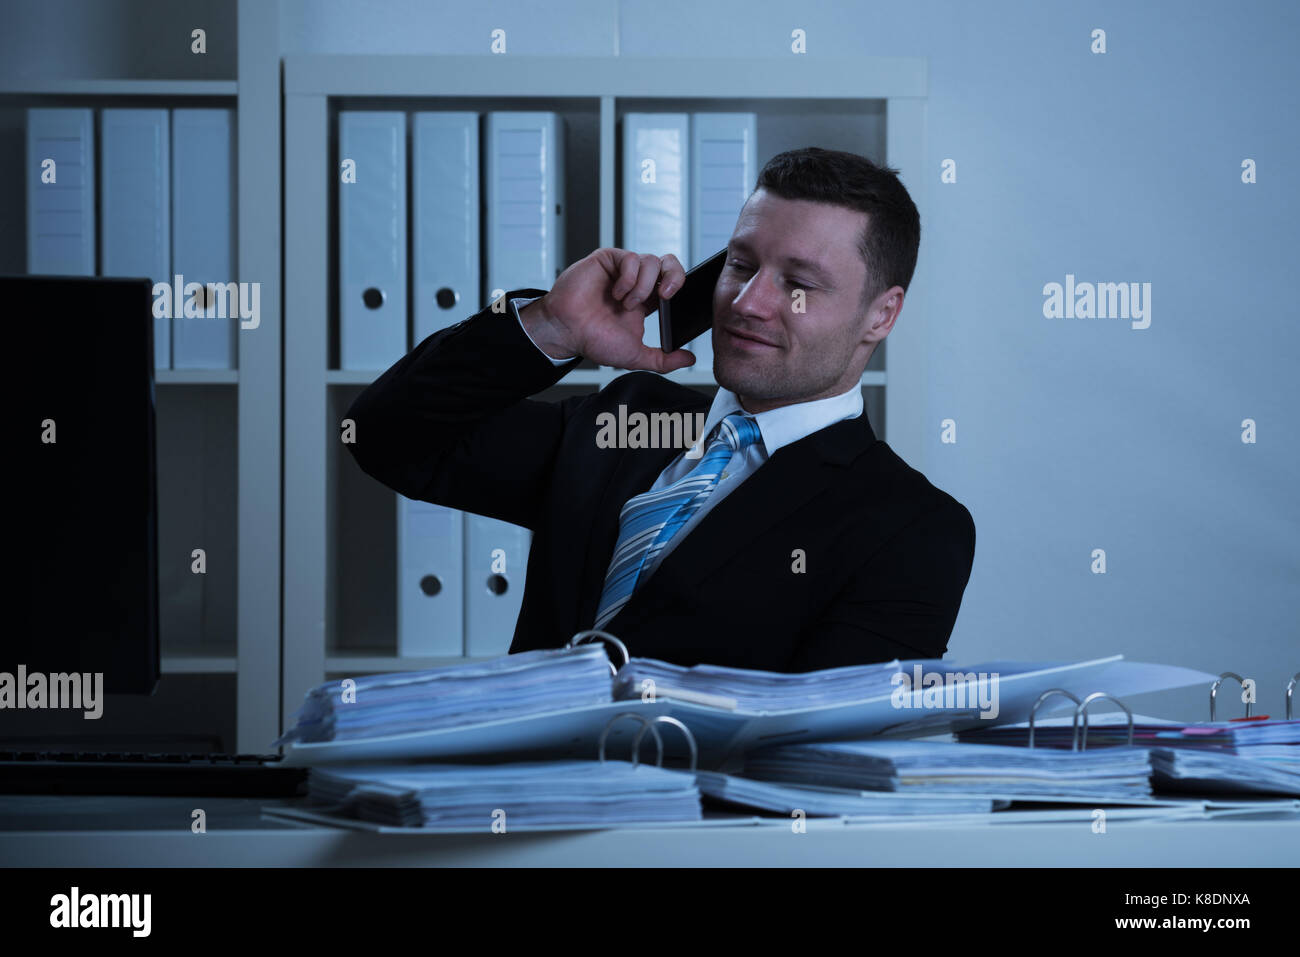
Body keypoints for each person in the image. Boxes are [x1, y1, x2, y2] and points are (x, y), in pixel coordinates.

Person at [346, 147, 975, 671]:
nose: (748, 303)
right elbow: (383, 437)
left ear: (881, 315)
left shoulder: (913, 528)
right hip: (518, 808)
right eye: (741, 264)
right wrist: (553, 327)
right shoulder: (624, 419)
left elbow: (818, 754)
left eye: (798, 285)